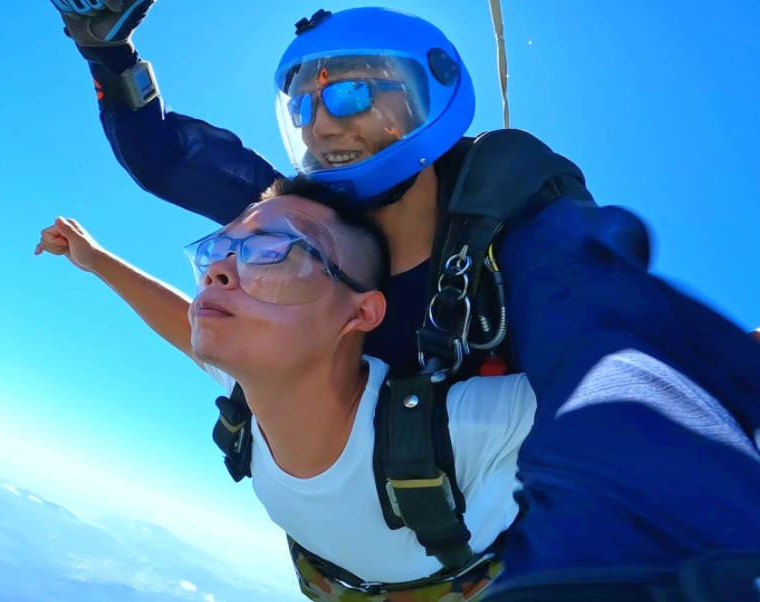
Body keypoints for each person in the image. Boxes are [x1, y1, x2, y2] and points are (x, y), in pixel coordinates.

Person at [46, 3, 760, 598]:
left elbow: (608, 373)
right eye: (302, 103)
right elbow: (169, 160)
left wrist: (660, 556)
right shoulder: (300, 229)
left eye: (353, 92)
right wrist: (107, 50)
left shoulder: (517, 237)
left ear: (429, 95)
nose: (322, 123)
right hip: (333, 575)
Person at [36, 180, 538, 600]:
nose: (217, 271)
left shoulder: (470, 428)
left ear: (360, 313)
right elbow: (178, 321)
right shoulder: (254, 394)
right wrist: (96, 259)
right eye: (222, 249)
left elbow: (606, 390)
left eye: (276, 252)